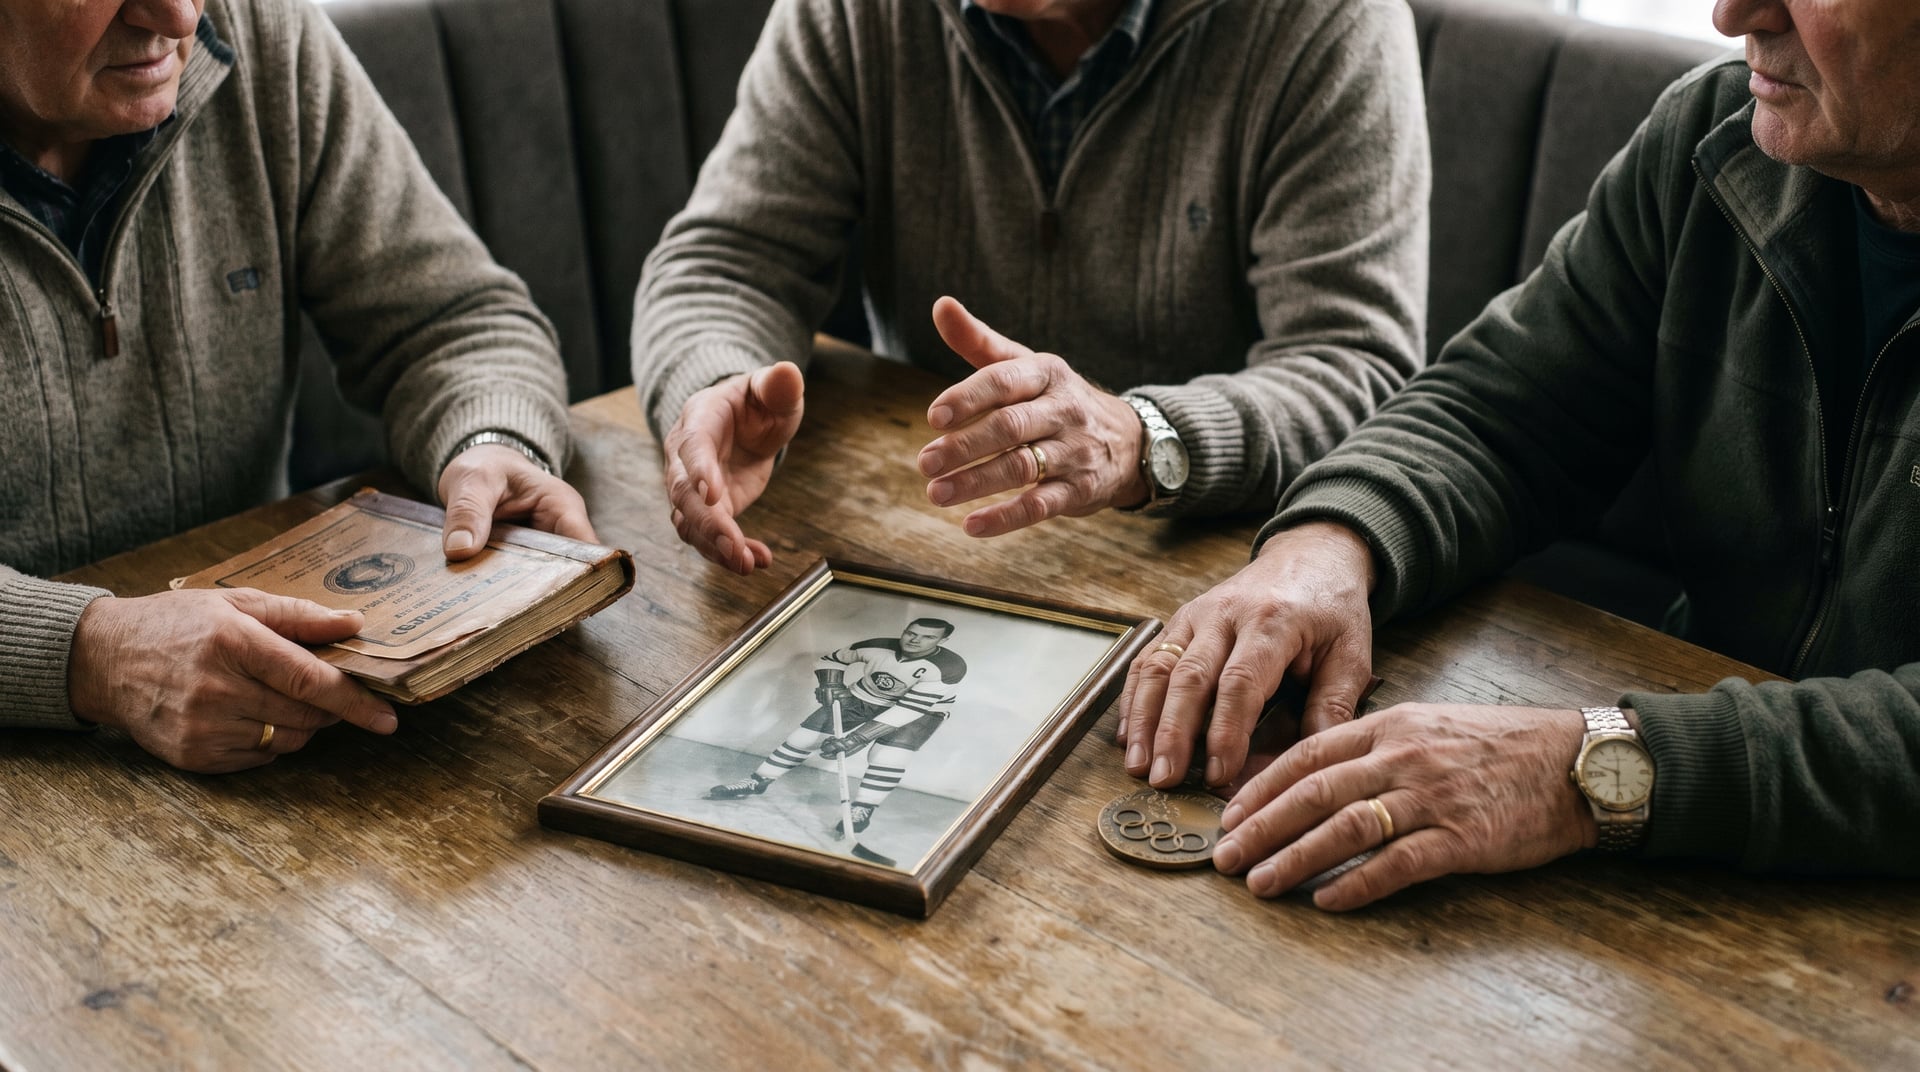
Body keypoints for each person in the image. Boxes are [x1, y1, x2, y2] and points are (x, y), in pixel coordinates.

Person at [1119, 0, 1920, 910]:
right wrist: (1332, 544)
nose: (1733, 11)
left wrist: (1593, 768)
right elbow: (1503, 409)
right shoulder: (1715, 134)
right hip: (1694, 874)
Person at [0, 0, 594, 773]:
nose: (178, 14)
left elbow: (456, 318)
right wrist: (92, 653)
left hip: (281, 755)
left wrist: (490, 440)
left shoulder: (256, 31)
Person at [635, 0, 1428, 574]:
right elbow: (727, 260)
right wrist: (712, 381)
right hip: (913, 538)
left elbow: (1355, 365)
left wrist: (1143, 438)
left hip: (1216, 565)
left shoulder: (1328, 21)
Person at [708, 619, 967, 835]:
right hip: (866, 697)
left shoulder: (948, 668)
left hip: (921, 711)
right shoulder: (875, 647)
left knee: (886, 756)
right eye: (911, 633)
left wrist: (857, 738)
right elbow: (832, 659)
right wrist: (831, 684)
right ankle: (757, 782)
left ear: (941, 641)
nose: (914, 640)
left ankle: (863, 810)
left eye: (927, 637)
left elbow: (908, 709)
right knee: (803, 739)